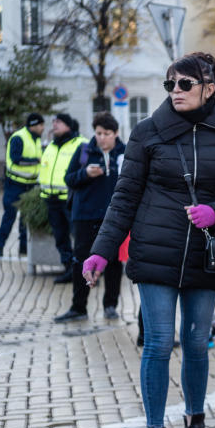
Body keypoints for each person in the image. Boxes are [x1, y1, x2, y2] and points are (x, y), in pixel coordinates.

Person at [83, 52, 215, 428]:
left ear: (209, 88)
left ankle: (196, 427)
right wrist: (102, 250)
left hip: (205, 253)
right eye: (170, 84)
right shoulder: (147, 132)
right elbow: (124, 197)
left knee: (197, 343)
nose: (175, 91)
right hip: (155, 251)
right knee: (159, 343)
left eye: (184, 84)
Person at [53, 112, 126, 323]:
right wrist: (85, 173)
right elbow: (69, 178)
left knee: (113, 262)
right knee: (81, 261)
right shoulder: (85, 150)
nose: (102, 137)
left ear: (116, 133)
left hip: (113, 218)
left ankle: (110, 306)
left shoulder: (124, 152)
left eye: (106, 133)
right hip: (84, 215)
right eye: (98, 133)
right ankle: (78, 307)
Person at [39, 114, 87, 283]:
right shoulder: (51, 145)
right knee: (60, 237)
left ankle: (85, 269)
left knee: (79, 237)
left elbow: (85, 172)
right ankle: (69, 268)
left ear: (68, 126)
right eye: (53, 122)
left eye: (58, 122)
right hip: (51, 199)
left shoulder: (82, 145)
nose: (54, 125)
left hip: (71, 200)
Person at [0, 113, 44, 257]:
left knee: (25, 218)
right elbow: (16, 160)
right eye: (41, 125)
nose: (43, 128)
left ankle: (24, 249)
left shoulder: (36, 139)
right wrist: (36, 160)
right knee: (9, 216)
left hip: (30, 185)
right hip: (15, 184)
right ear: (33, 125)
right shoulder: (19, 137)